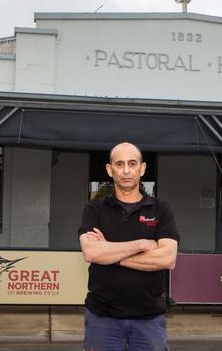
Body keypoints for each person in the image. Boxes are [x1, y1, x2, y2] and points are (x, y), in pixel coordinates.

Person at [78, 142, 179, 351]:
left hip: (149, 320)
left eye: (132, 164)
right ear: (110, 169)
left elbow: (167, 258)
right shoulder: (94, 209)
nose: (126, 170)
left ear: (141, 169)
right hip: (102, 319)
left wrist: (110, 253)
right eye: (120, 164)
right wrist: (142, 244)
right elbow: (91, 252)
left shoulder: (161, 209)